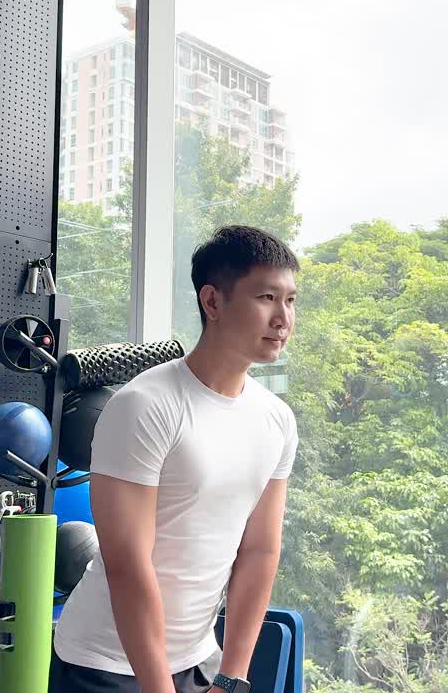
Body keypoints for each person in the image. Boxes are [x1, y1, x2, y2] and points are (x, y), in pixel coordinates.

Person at [52, 225, 300, 693]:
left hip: (198, 658)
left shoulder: (276, 419)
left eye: (291, 300)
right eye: (267, 297)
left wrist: (232, 677)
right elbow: (128, 562)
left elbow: (260, 551)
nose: (283, 318)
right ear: (213, 302)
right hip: (106, 664)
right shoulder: (144, 405)